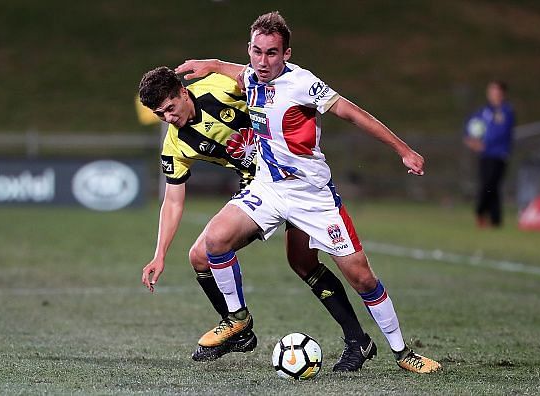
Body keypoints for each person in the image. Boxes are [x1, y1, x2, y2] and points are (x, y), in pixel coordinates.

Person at [175, 11, 442, 374]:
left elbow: (354, 114)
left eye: (272, 53)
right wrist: (211, 63)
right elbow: (235, 70)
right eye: (256, 51)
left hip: (313, 197)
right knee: (215, 241)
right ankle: (237, 319)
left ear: (286, 54)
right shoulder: (251, 75)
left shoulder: (303, 84)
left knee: (362, 277)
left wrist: (403, 150)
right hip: (269, 188)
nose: (262, 60)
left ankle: (402, 352)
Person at [138, 66, 375, 370]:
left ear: (183, 92)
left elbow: (261, 77)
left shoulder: (218, 87)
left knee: (303, 263)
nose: (169, 118)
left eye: (170, 108)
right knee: (199, 256)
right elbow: (172, 201)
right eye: (161, 114)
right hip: (257, 189)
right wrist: (159, 255)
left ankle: (357, 341)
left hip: (293, 177)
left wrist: (216, 63)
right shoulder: (175, 144)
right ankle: (239, 329)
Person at [464, 81, 515, 228]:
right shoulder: (484, 111)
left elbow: (501, 132)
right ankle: (495, 220)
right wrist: (470, 139)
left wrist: (484, 143)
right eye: (491, 91)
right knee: (490, 186)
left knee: (490, 184)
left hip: (499, 154)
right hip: (484, 154)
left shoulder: (506, 111)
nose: (493, 94)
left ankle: (480, 212)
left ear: (502, 94)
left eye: (496, 91)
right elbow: (470, 124)